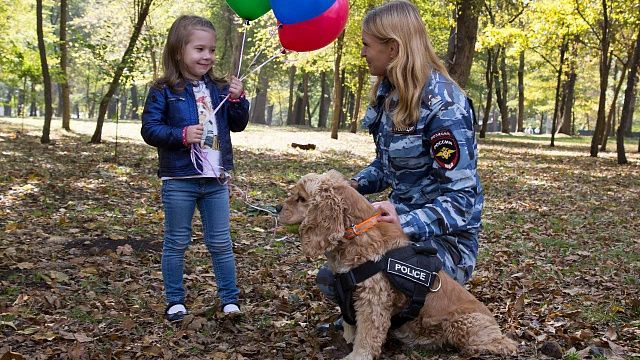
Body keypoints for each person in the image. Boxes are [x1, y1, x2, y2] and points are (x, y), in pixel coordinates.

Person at [316, 0, 484, 331]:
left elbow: (462, 199)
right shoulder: (389, 94)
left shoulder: (444, 106)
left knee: (379, 269)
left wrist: (406, 221)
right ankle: (380, 317)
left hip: (445, 241)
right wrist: (353, 185)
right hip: (397, 229)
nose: (363, 53)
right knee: (332, 274)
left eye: (367, 45)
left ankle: (394, 321)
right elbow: (386, 165)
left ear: (393, 48)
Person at [141, 15, 249, 322]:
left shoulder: (218, 88)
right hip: (180, 179)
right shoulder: (164, 89)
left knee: (220, 242)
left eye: (212, 50)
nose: (208, 56)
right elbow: (150, 129)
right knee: (177, 241)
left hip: (215, 180)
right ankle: (175, 301)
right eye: (199, 49)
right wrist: (181, 135)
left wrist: (239, 100)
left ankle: (230, 300)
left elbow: (238, 124)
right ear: (178, 51)